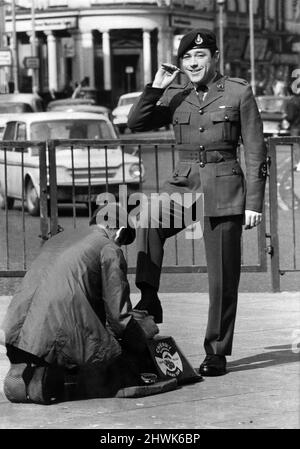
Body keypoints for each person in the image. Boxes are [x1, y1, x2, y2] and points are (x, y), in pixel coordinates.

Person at [127, 29, 267, 377]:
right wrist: (157, 86)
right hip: (184, 183)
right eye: (187, 58)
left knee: (222, 277)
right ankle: (148, 296)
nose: (192, 63)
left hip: (224, 186)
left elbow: (255, 150)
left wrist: (254, 202)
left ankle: (217, 351)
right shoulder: (176, 94)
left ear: (214, 57)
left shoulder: (237, 91)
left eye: (199, 57)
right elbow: (136, 122)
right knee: (149, 219)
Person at [2, 203, 159, 403]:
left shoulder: (59, 239)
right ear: (119, 230)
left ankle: (27, 369)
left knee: (58, 334)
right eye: (123, 241)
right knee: (119, 364)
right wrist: (142, 337)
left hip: (16, 329)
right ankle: (44, 376)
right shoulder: (109, 248)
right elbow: (120, 318)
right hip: (59, 330)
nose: (120, 246)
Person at [286, 89, 300, 172]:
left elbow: (290, 117)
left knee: (296, 146)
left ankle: (299, 164)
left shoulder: (292, 102)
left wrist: (285, 117)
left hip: (295, 126)